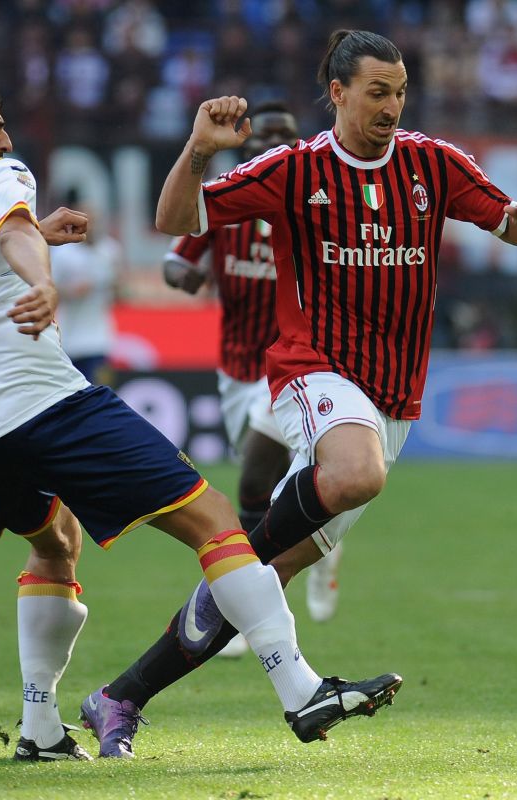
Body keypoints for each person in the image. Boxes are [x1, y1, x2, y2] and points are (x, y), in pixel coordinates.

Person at [0, 76, 402, 763]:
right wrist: (41, 272)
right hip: (43, 403)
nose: (6, 138)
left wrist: (39, 237)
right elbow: (7, 236)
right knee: (216, 522)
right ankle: (300, 689)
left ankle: (39, 729)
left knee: (53, 546)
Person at [84, 29, 517, 759]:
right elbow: (175, 221)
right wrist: (199, 147)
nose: (392, 107)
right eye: (377, 92)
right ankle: (242, 564)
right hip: (313, 369)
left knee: (254, 586)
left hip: (394, 402)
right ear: (337, 93)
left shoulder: (434, 164)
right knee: (354, 474)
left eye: (400, 92)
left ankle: (120, 697)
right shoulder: (293, 169)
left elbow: (507, 225)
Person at [162, 102, 344, 658]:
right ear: (245, 143)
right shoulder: (231, 199)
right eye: (262, 136)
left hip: (297, 364)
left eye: (282, 135)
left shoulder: (313, 197)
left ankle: (243, 613)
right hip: (238, 369)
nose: (271, 145)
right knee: (272, 490)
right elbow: (177, 255)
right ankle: (323, 546)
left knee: (260, 487)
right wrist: (186, 274)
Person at [49, 194, 123, 384]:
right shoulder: (62, 252)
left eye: (94, 221)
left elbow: (120, 289)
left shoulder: (110, 250)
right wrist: (71, 291)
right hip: (69, 340)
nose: (91, 226)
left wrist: (114, 286)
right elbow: (49, 289)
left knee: (101, 393)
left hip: (100, 340)